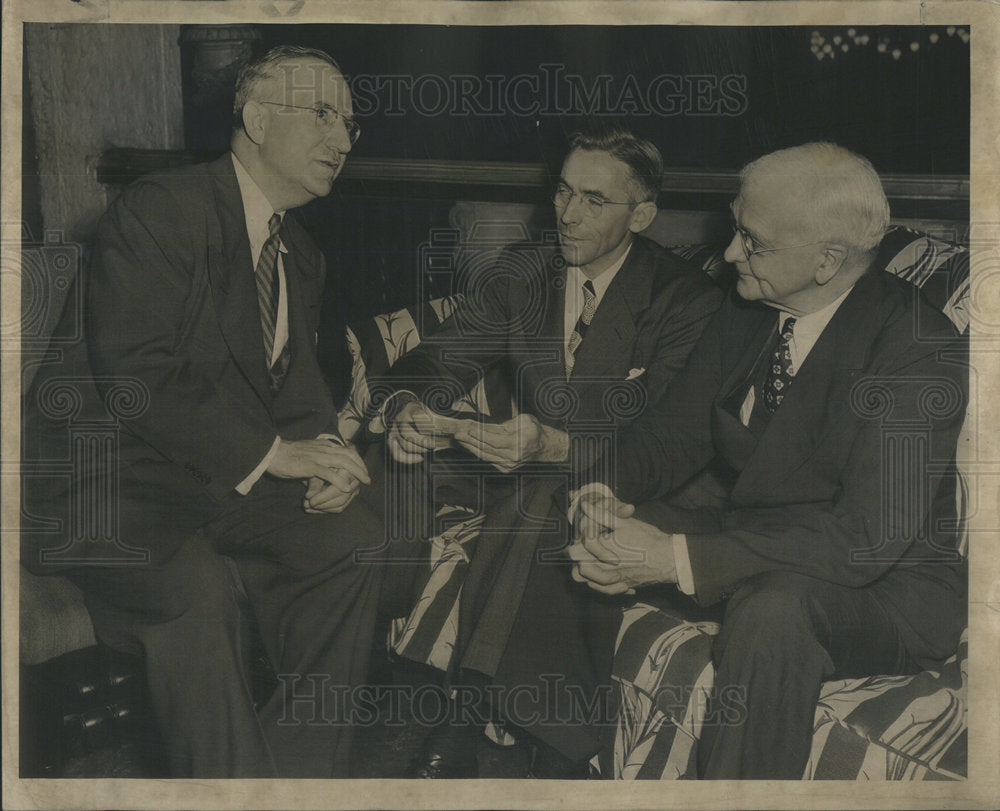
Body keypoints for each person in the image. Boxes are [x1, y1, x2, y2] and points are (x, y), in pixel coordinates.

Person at [22, 45, 384, 778]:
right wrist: (276, 455)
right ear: (257, 119)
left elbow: (295, 394)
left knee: (353, 539)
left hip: (201, 483)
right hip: (100, 485)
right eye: (323, 114)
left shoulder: (300, 253)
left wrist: (331, 460)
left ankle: (294, 778)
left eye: (349, 124)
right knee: (195, 588)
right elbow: (139, 370)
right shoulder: (163, 207)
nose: (343, 140)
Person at [567, 142, 968, 779]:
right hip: (756, 535)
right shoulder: (749, 306)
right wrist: (601, 491)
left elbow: (863, 539)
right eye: (735, 229)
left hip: (885, 586)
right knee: (571, 516)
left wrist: (673, 558)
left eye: (752, 241)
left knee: (773, 611)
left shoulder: (918, 349)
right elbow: (672, 434)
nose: (729, 254)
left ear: (827, 260)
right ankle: (555, 748)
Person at [379, 125, 724, 777]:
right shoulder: (526, 273)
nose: (567, 213)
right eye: (563, 191)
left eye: (594, 200)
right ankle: (548, 743)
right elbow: (436, 358)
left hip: (646, 484)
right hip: (530, 468)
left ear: (641, 215)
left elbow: (662, 440)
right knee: (404, 463)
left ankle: (468, 713)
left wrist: (552, 445)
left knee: (540, 496)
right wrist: (409, 408)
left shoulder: (687, 301)